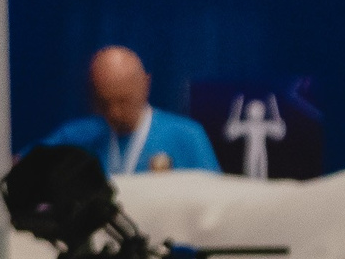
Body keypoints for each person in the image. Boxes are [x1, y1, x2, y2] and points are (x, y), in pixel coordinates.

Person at [40, 46, 221, 177]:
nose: (114, 112)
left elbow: (214, 203)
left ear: (146, 84)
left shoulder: (187, 136)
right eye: (104, 103)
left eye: (124, 101)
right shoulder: (75, 136)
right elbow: (21, 170)